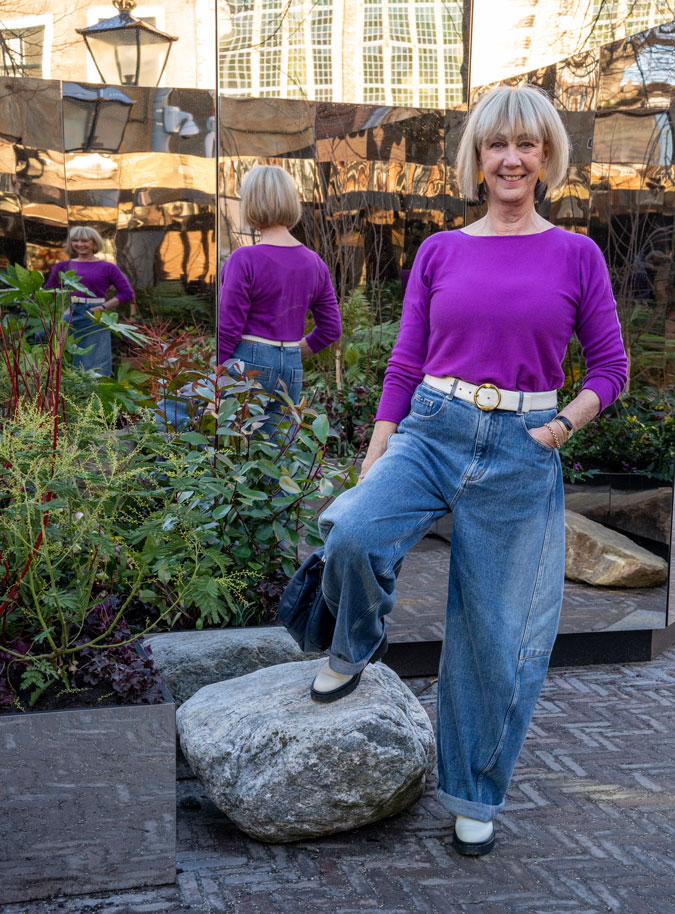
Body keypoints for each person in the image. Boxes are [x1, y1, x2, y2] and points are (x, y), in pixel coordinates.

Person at [310, 86, 628, 856]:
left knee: (494, 636)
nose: (510, 158)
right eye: (495, 145)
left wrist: (558, 427)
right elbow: (406, 359)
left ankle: (472, 792)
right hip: (432, 426)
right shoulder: (440, 250)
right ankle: (354, 642)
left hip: (524, 445)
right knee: (351, 531)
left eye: (525, 144)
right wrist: (377, 448)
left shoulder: (575, 255)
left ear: (546, 157)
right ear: (476, 159)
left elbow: (610, 369)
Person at [217, 165, 342, 430]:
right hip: (291, 367)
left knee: (236, 449)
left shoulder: (244, 259)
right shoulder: (314, 263)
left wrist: (213, 378)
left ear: (250, 203)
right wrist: (293, 352)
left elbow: (228, 330)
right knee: (277, 452)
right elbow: (331, 329)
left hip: (247, 363)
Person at [44, 227, 135, 376]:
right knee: (65, 360)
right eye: (75, 240)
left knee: (95, 362)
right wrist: (63, 308)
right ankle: (70, 397)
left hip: (95, 316)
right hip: (68, 315)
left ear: (94, 243)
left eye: (85, 240)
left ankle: (95, 396)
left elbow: (127, 294)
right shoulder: (62, 267)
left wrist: (102, 308)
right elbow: (49, 291)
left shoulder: (108, 267)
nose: (80, 244)